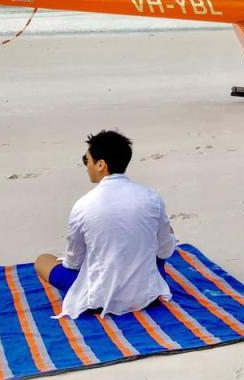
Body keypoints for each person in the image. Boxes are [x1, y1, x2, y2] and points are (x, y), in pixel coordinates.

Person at [35, 130, 176, 319]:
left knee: (43, 260)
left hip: (98, 298)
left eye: (87, 160)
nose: (87, 166)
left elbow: (74, 262)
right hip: (147, 294)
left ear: (101, 164)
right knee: (163, 230)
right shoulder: (151, 197)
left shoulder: (84, 205)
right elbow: (165, 251)